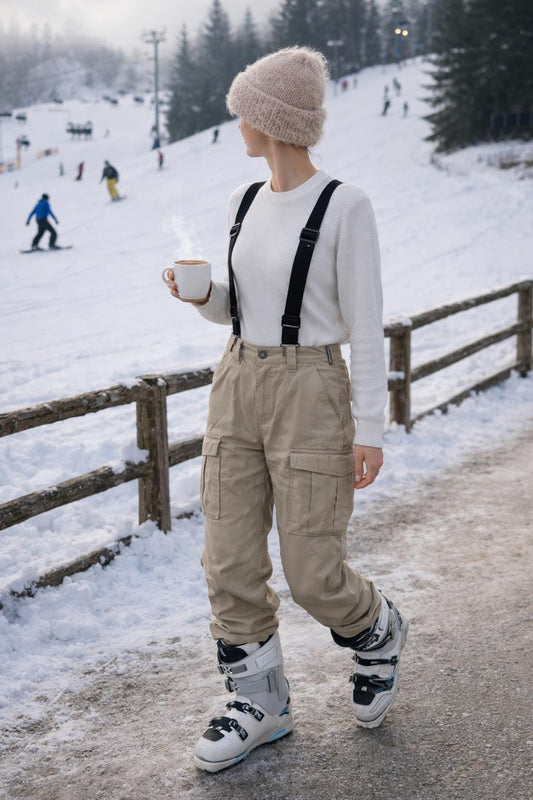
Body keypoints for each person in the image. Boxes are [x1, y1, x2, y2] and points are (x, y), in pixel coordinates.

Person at [165, 46, 408, 773]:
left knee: (311, 569)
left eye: (245, 109)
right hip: (238, 380)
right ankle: (259, 702)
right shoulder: (247, 201)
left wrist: (369, 429)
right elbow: (245, 311)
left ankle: (374, 630)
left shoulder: (345, 205)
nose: (237, 121)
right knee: (228, 558)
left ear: (268, 118)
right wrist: (203, 297)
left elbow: (365, 324)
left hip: (312, 392)